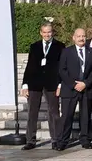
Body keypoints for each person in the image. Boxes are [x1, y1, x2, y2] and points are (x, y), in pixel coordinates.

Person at [21, 22, 65, 150]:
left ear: (53, 32)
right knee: (32, 112)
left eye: (49, 32)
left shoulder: (60, 46)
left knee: (54, 112)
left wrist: (60, 84)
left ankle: (55, 139)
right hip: (35, 83)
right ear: (41, 33)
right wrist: (25, 84)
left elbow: (62, 66)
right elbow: (30, 65)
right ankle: (30, 140)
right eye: (44, 32)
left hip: (52, 83)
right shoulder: (34, 46)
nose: (47, 34)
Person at [57, 28, 92, 150]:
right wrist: (73, 84)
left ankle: (85, 139)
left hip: (86, 89)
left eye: (83, 36)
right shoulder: (66, 52)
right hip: (70, 89)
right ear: (74, 38)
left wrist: (85, 83)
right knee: (66, 116)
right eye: (79, 36)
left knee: (85, 116)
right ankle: (63, 141)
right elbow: (62, 70)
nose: (81, 38)